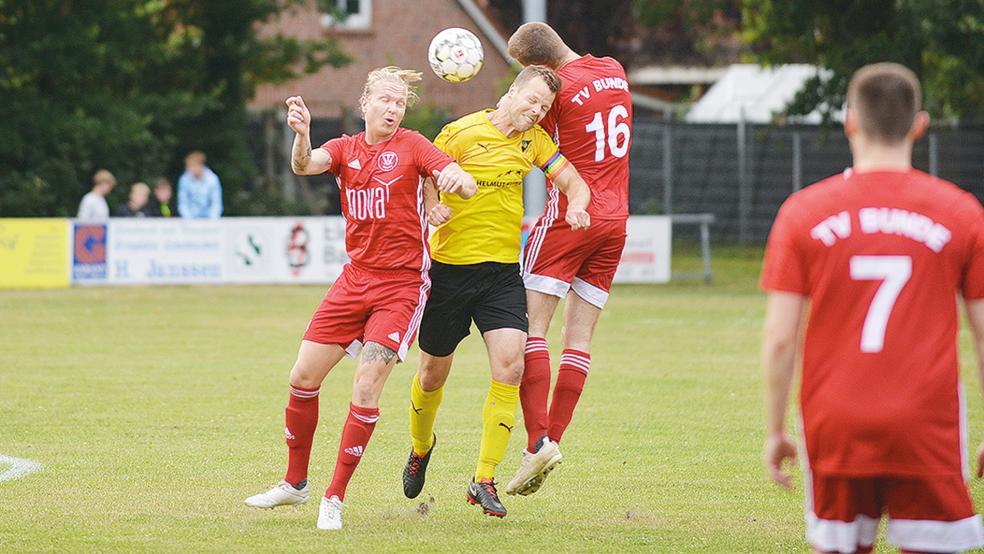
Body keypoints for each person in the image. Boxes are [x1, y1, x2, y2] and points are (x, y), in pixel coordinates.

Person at [761, 62, 984, 553]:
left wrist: (776, 429)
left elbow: (780, 338)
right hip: (927, 424)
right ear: (920, 125)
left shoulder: (803, 212)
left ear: (850, 122)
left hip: (835, 421)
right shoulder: (962, 212)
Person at [243, 66, 475, 531]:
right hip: (353, 280)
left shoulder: (413, 144)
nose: (393, 109)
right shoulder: (345, 149)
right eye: (385, 100)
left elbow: (454, 176)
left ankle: (334, 497)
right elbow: (304, 165)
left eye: (400, 103)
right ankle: (295, 484)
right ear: (364, 102)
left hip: (402, 286)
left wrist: (456, 182)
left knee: (366, 386)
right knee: (302, 377)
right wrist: (303, 134)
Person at [401, 65, 591, 518]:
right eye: (532, 101)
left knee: (511, 366)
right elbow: (423, 173)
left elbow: (573, 183)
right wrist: (432, 206)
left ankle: (483, 479)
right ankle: (420, 445)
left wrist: (579, 206)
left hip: (502, 275)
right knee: (431, 375)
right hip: (449, 271)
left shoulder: (536, 142)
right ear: (511, 93)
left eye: (544, 107)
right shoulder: (460, 133)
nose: (537, 111)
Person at [503, 22, 633, 496]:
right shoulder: (615, 70)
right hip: (616, 221)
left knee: (527, 329)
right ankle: (549, 441)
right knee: (578, 339)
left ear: (538, 69)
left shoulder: (555, 92)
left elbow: (519, 122)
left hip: (570, 217)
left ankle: (537, 439)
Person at [177, 150, 222, 218]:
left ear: (201, 165)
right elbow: (183, 203)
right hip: (190, 219)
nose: (189, 169)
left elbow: (216, 203)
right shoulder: (184, 180)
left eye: (192, 166)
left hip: (209, 218)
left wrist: (212, 220)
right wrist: (188, 219)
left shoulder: (212, 179)